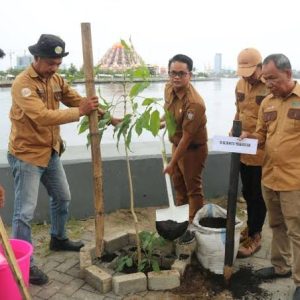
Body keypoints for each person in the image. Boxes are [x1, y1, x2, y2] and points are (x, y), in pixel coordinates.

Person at [7, 34, 100, 286]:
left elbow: (77, 100)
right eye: (50, 63)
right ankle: (24, 263)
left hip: (50, 151)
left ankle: (58, 238)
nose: (54, 68)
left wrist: (103, 114)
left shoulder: (56, 79)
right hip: (27, 155)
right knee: (24, 212)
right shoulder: (22, 84)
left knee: (63, 197)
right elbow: (41, 116)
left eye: (58, 63)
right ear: (36, 58)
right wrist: (80, 112)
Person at [240, 53, 300, 300]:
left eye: (272, 78)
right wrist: (247, 137)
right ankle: (280, 266)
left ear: (288, 73)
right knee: (276, 225)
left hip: (295, 180)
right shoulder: (268, 102)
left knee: (297, 231)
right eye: (265, 79)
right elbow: (262, 136)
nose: (269, 84)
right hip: (270, 176)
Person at [162, 54, 208, 244]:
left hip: (193, 150)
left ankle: (194, 227)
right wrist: (162, 122)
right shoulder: (168, 88)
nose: (176, 77)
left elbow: (188, 138)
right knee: (179, 186)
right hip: (177, 145)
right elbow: (170, 114)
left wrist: (172, 163)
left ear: (190, 75)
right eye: (173, 73)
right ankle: (181, 221)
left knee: (193, 189)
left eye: (182, 73)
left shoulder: (195, 103)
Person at [231, 48, 269, 258]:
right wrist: (234, 128)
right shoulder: (239, 84)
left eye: (252, 72)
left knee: (257, 195)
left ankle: (256, 235)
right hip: (242, 149)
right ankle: (251, 226)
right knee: (247, 192)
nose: (249, 77)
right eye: (244, 72)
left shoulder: (269, 86)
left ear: (261, 67)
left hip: (261, 152)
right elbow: (238, 111)